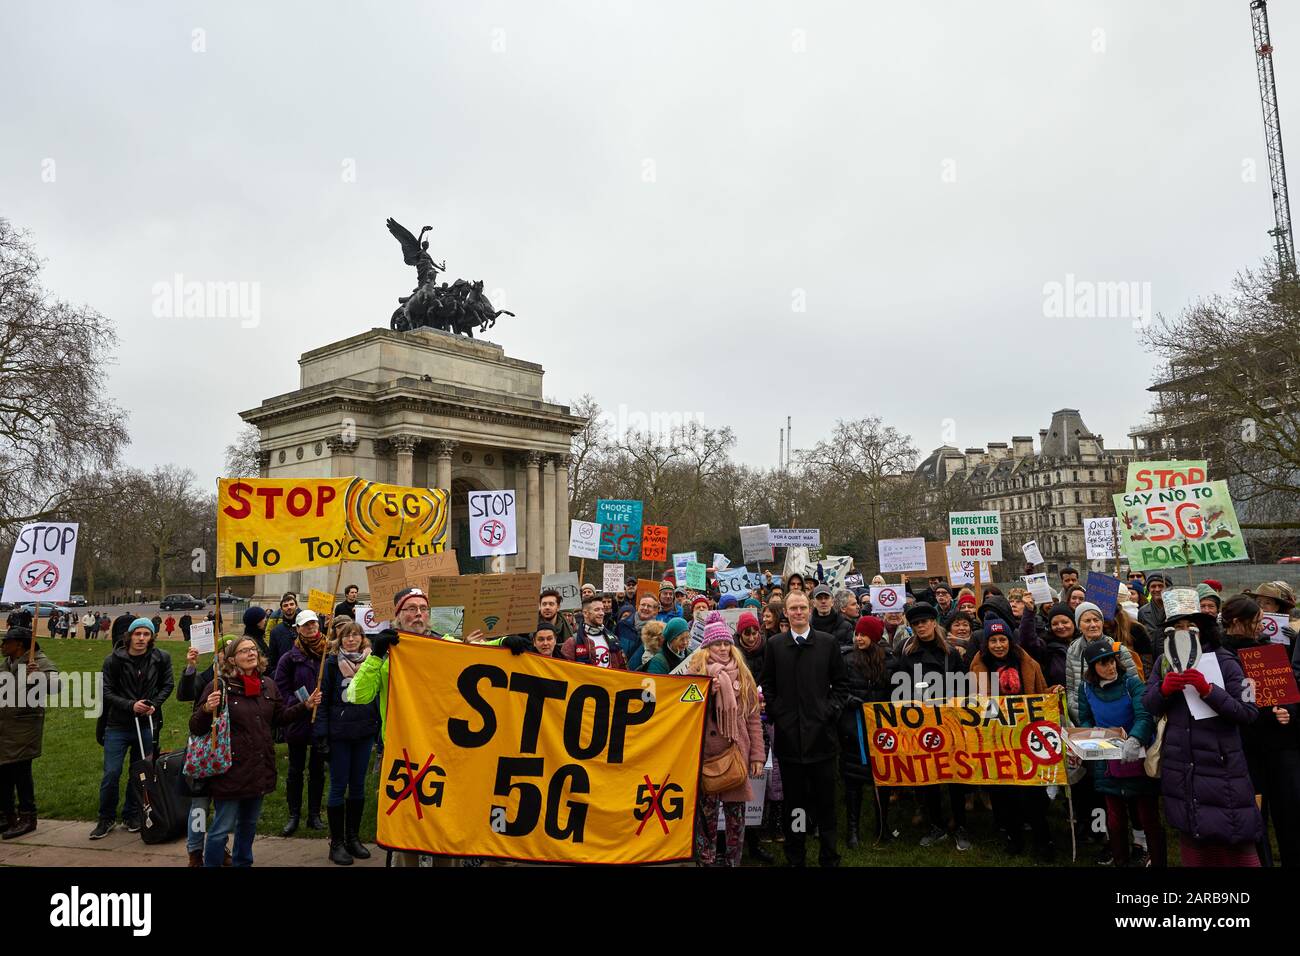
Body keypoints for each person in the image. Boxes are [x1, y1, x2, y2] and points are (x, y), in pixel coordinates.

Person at [343, 587, 495, 867]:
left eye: (423, 609)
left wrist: (510, 643)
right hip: (403, 753)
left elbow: (483, 654)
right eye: (410, 609)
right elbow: (357, 695)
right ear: (398, 615)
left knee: (445, 825)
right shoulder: (386, 650)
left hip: (444, 751)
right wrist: (376, 656)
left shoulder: (444, 643)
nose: (418, 614)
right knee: (407, 829)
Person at [1143, 587, 1262, 866]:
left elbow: (1248, 710)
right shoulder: (1163, 663)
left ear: (1203, 628)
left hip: (1222, 768)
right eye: (1178, 626)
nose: (1184, 631)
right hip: (1181, 767)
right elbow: (1148, 703)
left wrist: (1208, 690)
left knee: (1235, 838)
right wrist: (1164, 689)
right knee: (1194, 840)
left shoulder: (1227, 660)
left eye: (1190, 626)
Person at [192, 637, 320, 866]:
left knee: (248, 826)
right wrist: (205, 709)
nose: (251, 653)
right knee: (221, 829)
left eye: (253, 649)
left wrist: (305, 706)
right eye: (244, 651)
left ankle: (243, 862)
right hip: (230, 770)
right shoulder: (218, 686)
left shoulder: (267, 684)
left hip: (259, 768)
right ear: (232, 659)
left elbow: (279, 717)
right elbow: (196, 726)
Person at [760, 590, 849, 867]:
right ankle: (796, 856)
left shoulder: (828, 643)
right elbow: (768, 686)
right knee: (795, 806)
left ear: (809, 610)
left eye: (802, 607)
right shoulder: (774, 645)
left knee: (825, 803)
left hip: (822, 741)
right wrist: (780, 716)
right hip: (790, 744)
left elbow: (842, 686)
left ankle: (829, 854)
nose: (798, 612)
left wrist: (827, 713)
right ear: (785, 612)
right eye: (793, 608)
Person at [1220, 594, 1299, 866]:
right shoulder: (1221, 656)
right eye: (1255, 621)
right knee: (1255, 817)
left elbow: (1289, 692)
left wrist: (1289, 711)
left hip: (1281, 746)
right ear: (1237, 622)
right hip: (1245, 748)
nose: (1259, 627)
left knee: (1290, 813)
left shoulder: (1270, 650)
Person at [682, 614, 765, 866]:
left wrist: (757, 756)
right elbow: (684, 713)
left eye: (726, 643)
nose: (722, 648)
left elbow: (752, 717)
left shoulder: (742, 673)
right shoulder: (694, 673)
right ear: (706, 646)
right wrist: (708, 697)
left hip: (736, 753)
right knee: (705, 816)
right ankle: (706, 859)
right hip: (706, 755)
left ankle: (732, 860)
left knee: (736, 816)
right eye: (717, 643)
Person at [969, 618, 1053, 861]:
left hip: (1027, 737)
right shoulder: (979, 666)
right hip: (998, 739)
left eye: (1002, 639)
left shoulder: (1028, 663)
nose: (998, 645)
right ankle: (1013, 838)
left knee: (1033, 794)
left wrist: (1051, 694)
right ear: (986, 644)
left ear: (1010, 640)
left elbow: (1040, 692)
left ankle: (1042, 841)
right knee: (1005, 794)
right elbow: (975, 704)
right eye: (993, 640)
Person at [891, 602, 969, 849]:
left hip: (950, 721)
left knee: (957, 777)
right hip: (921, 724)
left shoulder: (951, 654)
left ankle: (960, 825)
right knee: (929, 776)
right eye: (915, 624)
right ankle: (935, 824)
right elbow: (898, 689)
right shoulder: (907, 654)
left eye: (924, 622)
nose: (920, 626)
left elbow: (965, 687)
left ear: (934, 623)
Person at [92, 618, 174, 839]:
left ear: (151, 637)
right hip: (117, 724)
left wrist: (154, 704)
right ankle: (105, 817)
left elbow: (168, 684)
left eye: (146, 634)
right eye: (137, 634)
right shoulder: (113, 660)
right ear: (129, 636)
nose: (141, 638)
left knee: (139, 772)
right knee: (112, 772)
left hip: (147, 724)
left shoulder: (160, 658)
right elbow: (107, 692)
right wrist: (131, 705)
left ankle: (132, 813)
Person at [314, 618, 380, 865]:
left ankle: (353, 837)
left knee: (358, 785)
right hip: (339, 733)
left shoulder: (371, 663)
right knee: (338, 786)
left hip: (363, 732)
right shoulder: (331, 664)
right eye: (345, 636)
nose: (351, 639)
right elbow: (323, 702)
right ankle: (337, 842)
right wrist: (321, 734)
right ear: (339, 640)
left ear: (363, 638)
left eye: (355, 635)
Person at [274, 609, 329, 836]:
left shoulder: (327, 653)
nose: (311, 628)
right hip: (298, 720)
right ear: (298, 629)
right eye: (306, 625)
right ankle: (294, 814)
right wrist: (302, 704)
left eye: (314, 624)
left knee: (317, 770)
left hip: (320, 721)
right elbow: (281, 688)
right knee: (295, 770)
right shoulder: (289, 658)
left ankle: (314, 815)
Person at [0, 627, 58, 839]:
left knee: (20, 773)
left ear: (20, 644)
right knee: (3, 773)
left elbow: (55, 686)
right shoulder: (7, 664)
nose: (2, 646)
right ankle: (7, 815)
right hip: (5, 727)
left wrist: (39, 677)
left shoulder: (39, 662)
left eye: (7, 642)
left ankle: (27, 816)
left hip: (24, 727)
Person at [840, 615, 893, 848]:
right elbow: (836, 688)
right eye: (857, 634)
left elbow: (895, 692)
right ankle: (853, 829)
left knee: (883, 779)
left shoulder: (889, 661)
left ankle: (883, 826)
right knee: (853, 781)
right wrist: (849, 699)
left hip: (881, 728)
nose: (859, 638)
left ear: (874, 636)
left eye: (864, 634)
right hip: (854, 728)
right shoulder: (846, 659)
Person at [560, 594, 626, 668]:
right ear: (585, 613)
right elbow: (565, 671)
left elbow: (622, 667)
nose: (601, 613)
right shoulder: (572, 642)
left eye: (602, 609)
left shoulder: (613, 639)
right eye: (597, 610)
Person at [618, 593, 660, 662]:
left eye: (649, 606)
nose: (645, 608)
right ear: (637, 606)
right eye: (643, 605)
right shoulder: (622, 625)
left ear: (655, 611)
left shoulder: (657, 632)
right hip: (621, 670)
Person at [266, 592, 300, 675]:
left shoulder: (304, 626)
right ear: (281, 609)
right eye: (285, 605)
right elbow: (273, 656)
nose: (289, 607)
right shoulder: (276, 631)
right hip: (284, 672)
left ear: (296, 606)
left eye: (291, 604)